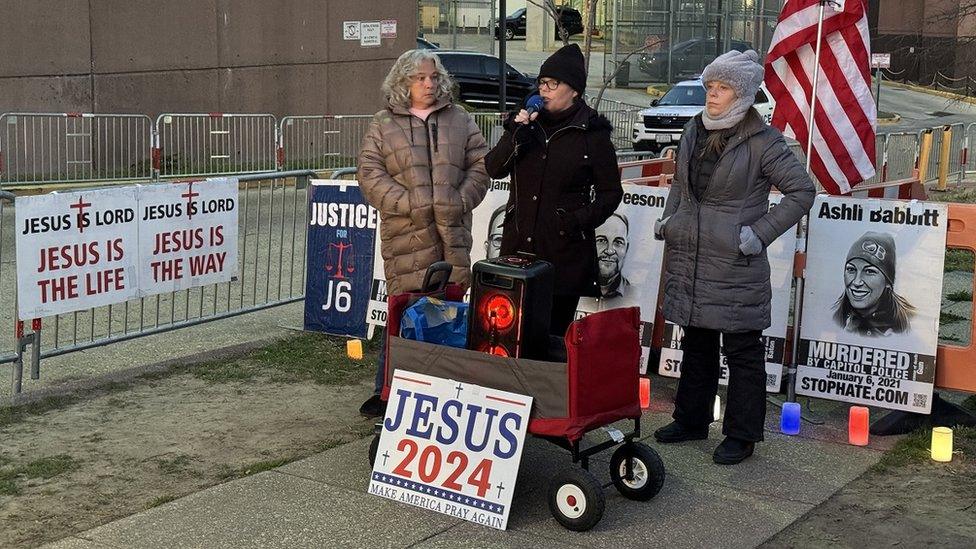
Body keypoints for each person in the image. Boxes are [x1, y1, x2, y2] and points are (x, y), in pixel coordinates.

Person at [652, 50, 815, 464]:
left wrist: (758, 235)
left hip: (735, 265)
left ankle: (742, 435)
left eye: (722, 88)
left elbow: (802, 191)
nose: (712, 96)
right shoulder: (693, 129)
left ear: (741, 95)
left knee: (742, 351)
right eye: (710, 87)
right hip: (691, 257)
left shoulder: (763, 141)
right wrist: (670, 219)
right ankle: (690, 421)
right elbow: (682, 187)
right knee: (696, 342)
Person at [357, 49, 490, 417]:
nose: (429, 84)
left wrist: (459, 200)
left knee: (450, 314)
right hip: (406, 237)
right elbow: (370, 174)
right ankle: (389, 393)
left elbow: (481, 165)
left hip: (453, 236)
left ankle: (446, 395)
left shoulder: (460, 119)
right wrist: (410, 204)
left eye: (433, 77)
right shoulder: (384, 123)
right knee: (404, 313)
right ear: (404, 81)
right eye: (419, 78)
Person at [484, 44, 622, 337]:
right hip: (518, 250)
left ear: (573, 90)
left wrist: (574, 221)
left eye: (552, 84)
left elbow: (611, 193)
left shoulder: (592, 134)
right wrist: (515, 132)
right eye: (541, 83)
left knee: (552, 338)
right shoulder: (527, 126)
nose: (543, 90)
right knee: (510, 334)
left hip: (563, 254)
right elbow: (493, 168)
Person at [833, 231, 915, 336]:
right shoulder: (834, 320)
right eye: (851, 269)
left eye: (869, 271)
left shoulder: (907, 328)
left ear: (888, 282)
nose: (857, 282)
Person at [595, 213, 630, 299]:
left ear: (627, 248)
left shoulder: (635, 295)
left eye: (618, 242)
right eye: (601, 241)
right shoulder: (568, 288)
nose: (609, 251)